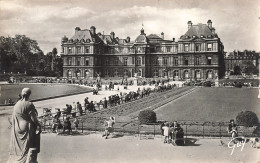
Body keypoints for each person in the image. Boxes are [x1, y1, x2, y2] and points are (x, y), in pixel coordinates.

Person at [8, 88, 42, 163]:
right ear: (29, 94)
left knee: (19, 147)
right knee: (27, 147)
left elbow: (13, 118)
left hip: (17, 127)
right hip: (26, 127)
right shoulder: (29, 104)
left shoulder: (17, 104)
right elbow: (33, 119)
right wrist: (39, 125)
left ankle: (18, 159)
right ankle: (27, 161)